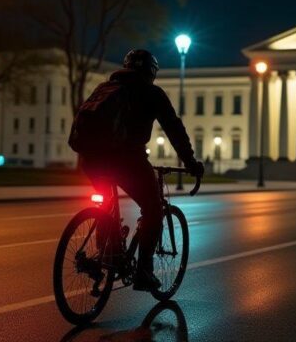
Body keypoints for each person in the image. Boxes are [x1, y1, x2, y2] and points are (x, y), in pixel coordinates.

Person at [77, 49, 203, 290]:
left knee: (106, 205)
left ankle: (108, 253)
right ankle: (144, 271)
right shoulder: (152, 93)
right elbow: (174, 129)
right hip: (126, 159)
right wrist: (190, 162)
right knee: (153, 208)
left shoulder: (104, 88)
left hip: (90, 159)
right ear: (151, 73)